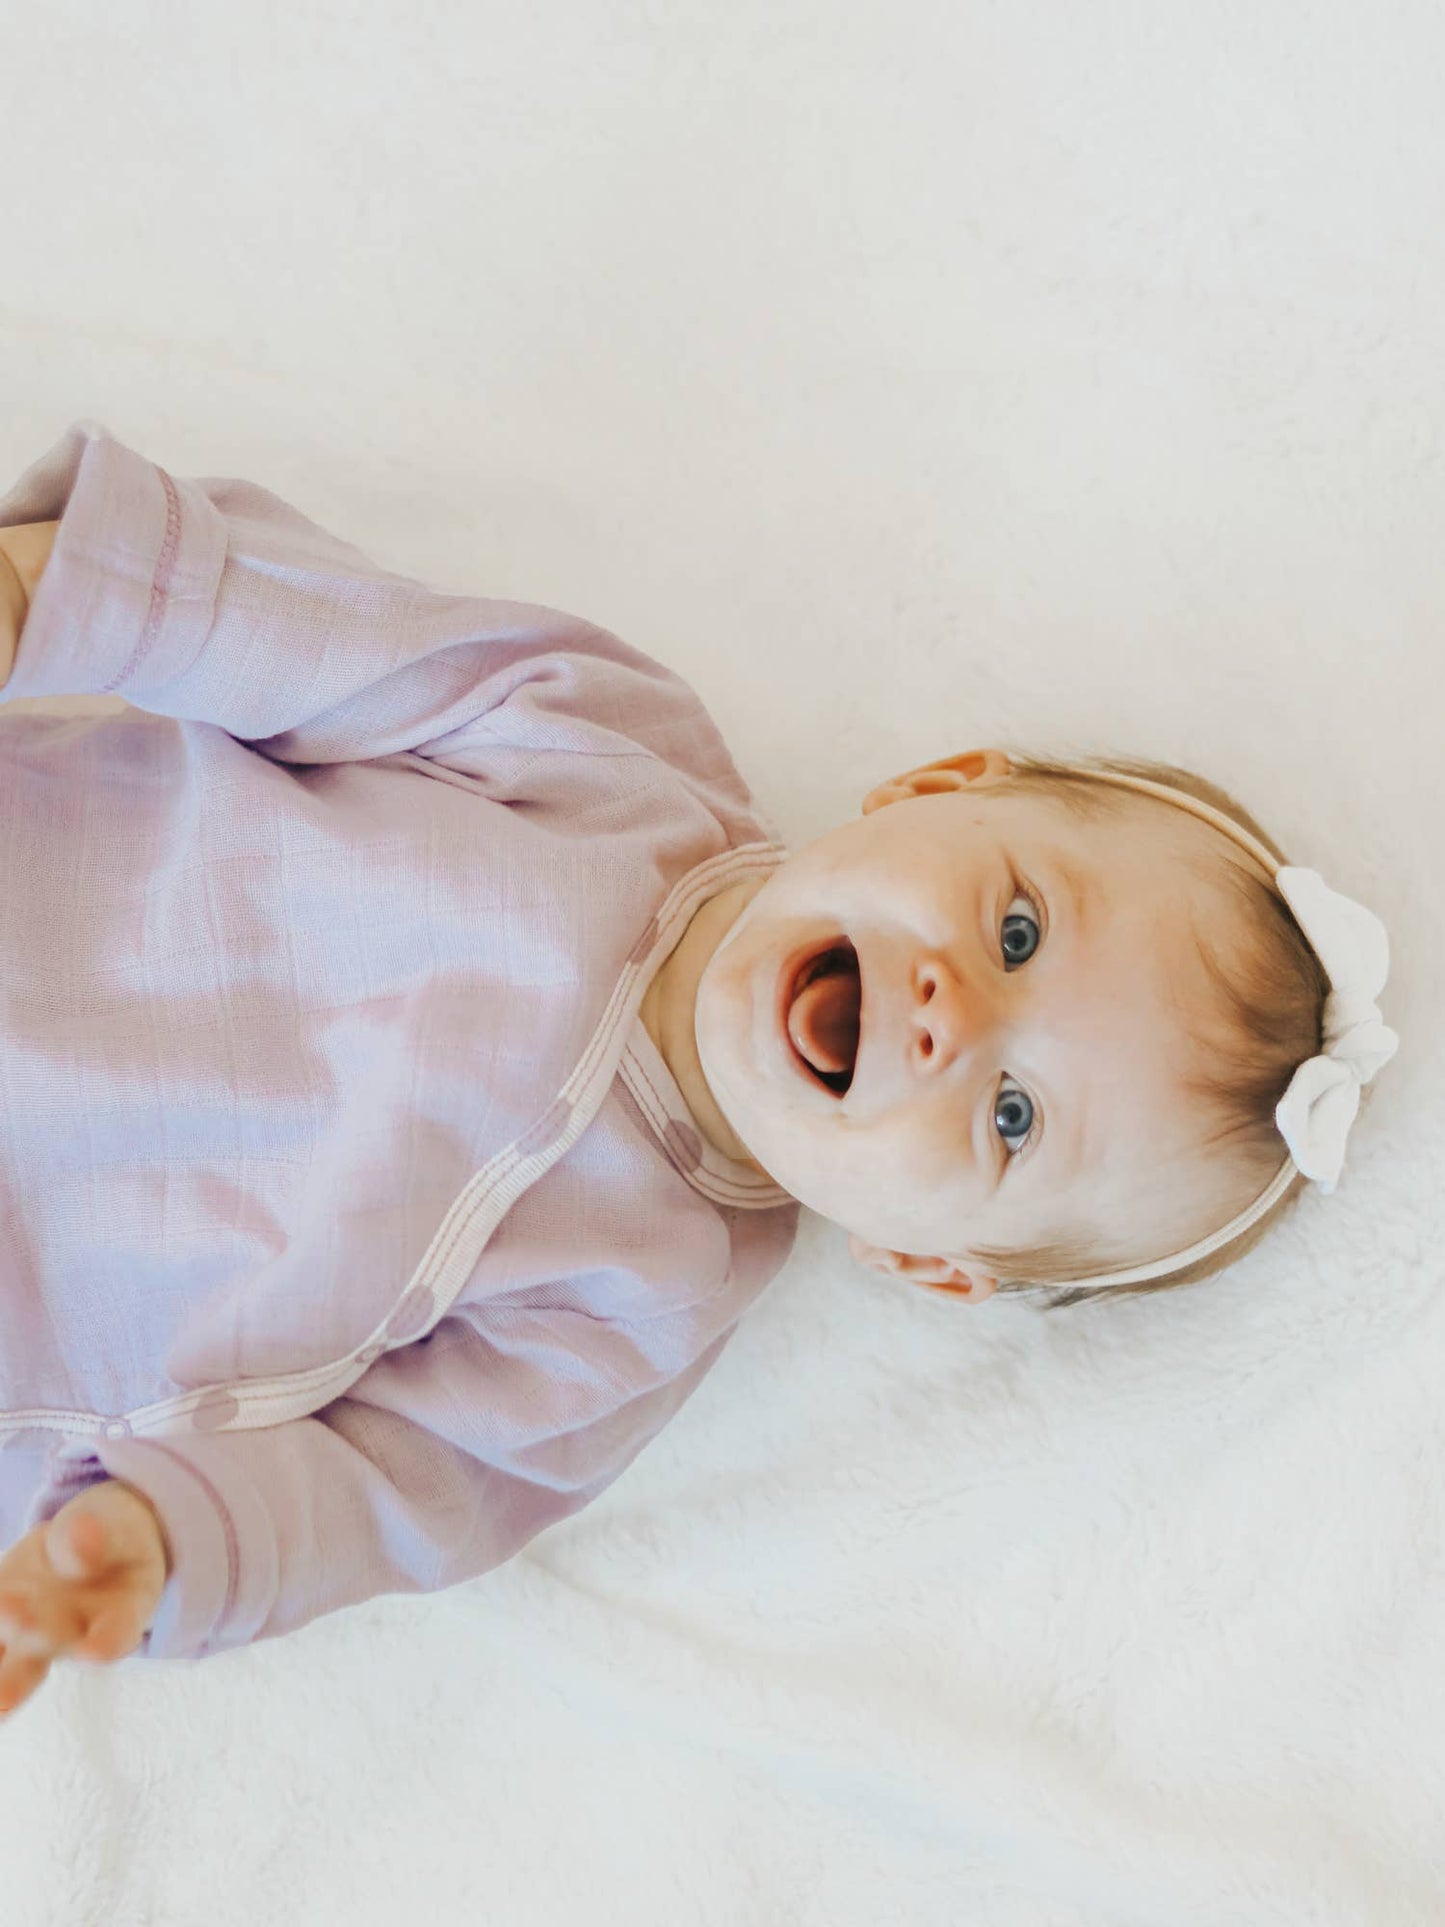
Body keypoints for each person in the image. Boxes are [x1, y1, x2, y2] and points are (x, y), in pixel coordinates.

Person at [0, 423, 1396, 1716]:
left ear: (923, 1260)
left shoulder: (635, 1307)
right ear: (934, 786)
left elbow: (389, 1488)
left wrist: (153, 1542)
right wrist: (41, 584)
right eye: (1015, 928)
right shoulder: (604, 750)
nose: (945, 1016)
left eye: (1012, 1116)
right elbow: (300, 633)